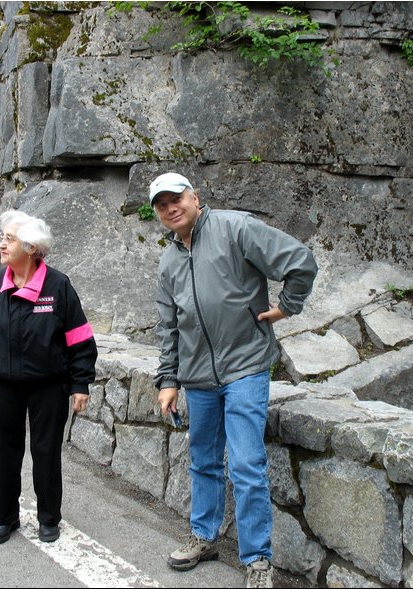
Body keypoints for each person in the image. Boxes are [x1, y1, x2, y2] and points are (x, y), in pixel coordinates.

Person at [150, 172, 318, 588]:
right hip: (198, 377)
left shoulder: (235, 228)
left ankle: (258, 559)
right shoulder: (169, 260)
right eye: (161, 204)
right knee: (203, 460)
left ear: (195, 197)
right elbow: (168, 327)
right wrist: (167, 380)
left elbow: (300, 262)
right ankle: (204, 537)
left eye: (177, 198)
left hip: (246, 367)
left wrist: (286, 307)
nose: (171, 208)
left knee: (245, 463)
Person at [0, 209, 98, 545]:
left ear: (30, 246)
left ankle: (48, 519)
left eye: (8, 239)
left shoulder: (57, 285)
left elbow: (79, 337)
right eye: (2, 237)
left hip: (48, 385)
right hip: (6, 384)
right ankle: (4, 517)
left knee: (46, 452)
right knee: (5, 452)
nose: (1, 244)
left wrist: (80, 383)